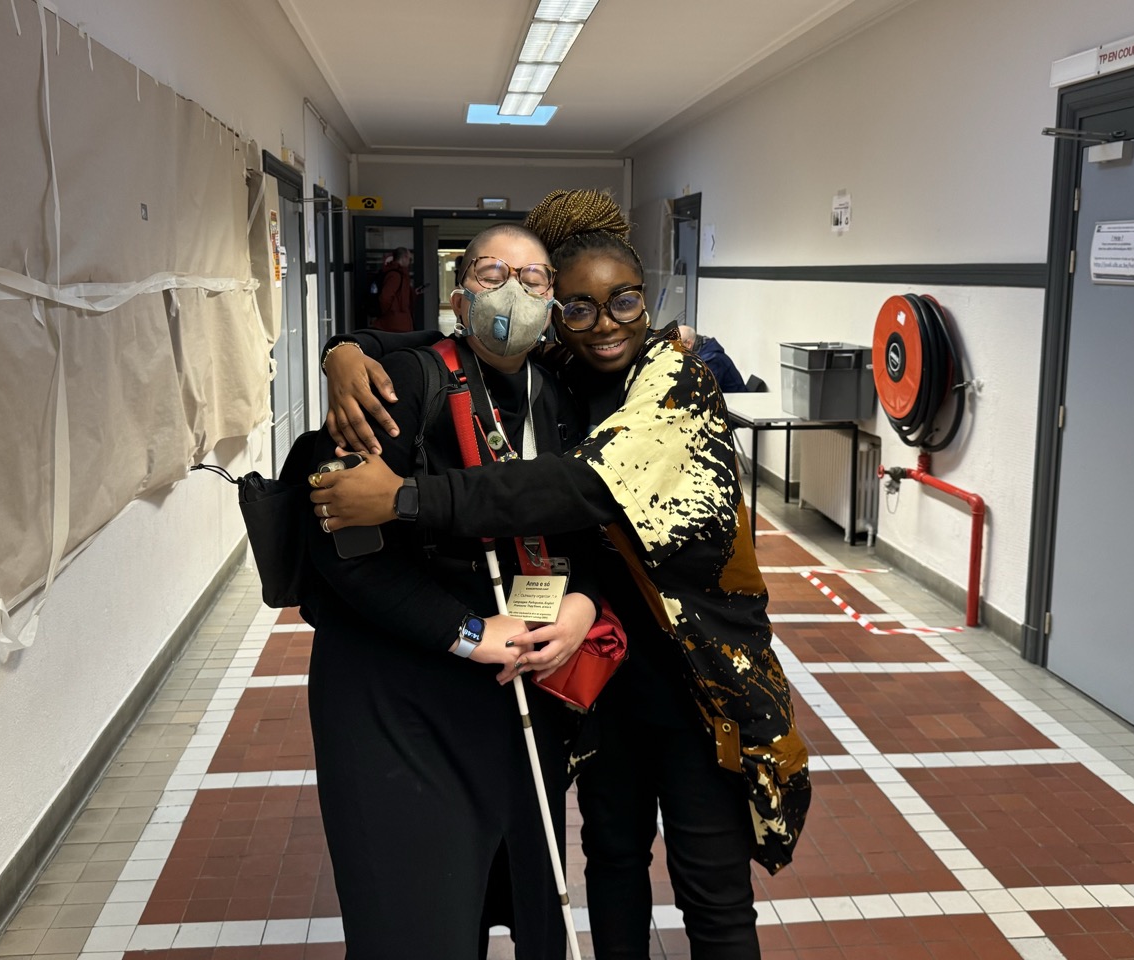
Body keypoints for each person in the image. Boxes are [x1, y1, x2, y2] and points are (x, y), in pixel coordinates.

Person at [312, 190, 811, 959]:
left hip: (695, 677)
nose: (602, 321)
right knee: (611, 862)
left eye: (623, 301)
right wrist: (347, 346)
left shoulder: (678, 378)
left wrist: (405, 498)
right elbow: (468, 342)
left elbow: (575, 489)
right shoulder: (565, 372)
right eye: (576, 304)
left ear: (648, 300)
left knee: (712, 889)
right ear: (556, 315)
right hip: (603, 676)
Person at [302, 222, 602, 959]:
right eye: (494, 273)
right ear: (461, 296)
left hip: (517, 698)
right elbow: (340, 550)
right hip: (398, 702)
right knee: (416, 918)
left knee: (523, 897)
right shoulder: (402, 385)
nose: (515, 292)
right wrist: (469, 631)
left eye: (534, 280)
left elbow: (595, 523)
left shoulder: (562, 397)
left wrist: (580, 606)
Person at [678, 324, 746, 393]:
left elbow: (702, 392)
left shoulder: (711, 360)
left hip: (737, 401)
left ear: (688, 344)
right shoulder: (702, 352)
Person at [373, 246, 417, 332]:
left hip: (397, 321)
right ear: (404, 257)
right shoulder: (395, 275)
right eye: (409, 259)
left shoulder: (398, 274)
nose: (409, 262)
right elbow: (385, 297)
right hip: (395, 323)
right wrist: (388, 313)